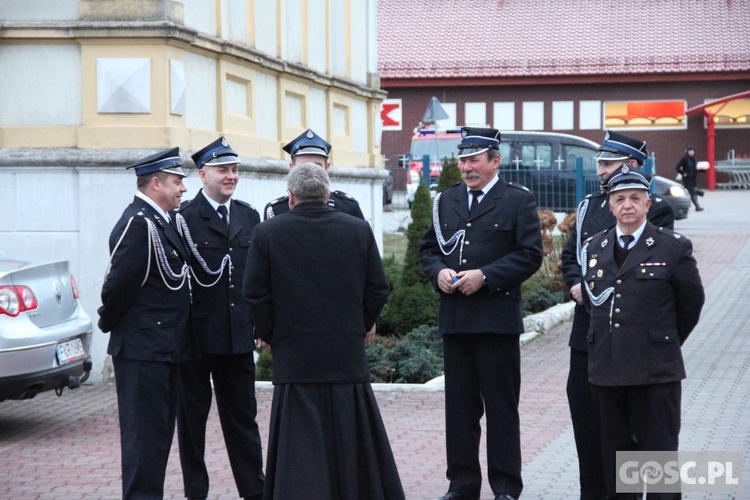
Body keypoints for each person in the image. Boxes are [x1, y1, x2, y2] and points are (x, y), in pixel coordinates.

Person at [243, 163, 404, 500]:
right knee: (350, 436)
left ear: (290, 198)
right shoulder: (358, 230)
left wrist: (271, 334)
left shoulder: (267, 233)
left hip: (295, 356)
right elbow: (378, 288)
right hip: (345, 353)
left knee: (299, 443)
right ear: (328, 194)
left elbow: (255, 294)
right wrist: (359, 326)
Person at [419, 127, 543, 500]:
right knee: (459, 410)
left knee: (502, 410)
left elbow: (529, 254)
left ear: (495, 161)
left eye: (475, 160)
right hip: (456, 320)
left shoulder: (517, 200)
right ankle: (462, 483)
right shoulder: (446, 201)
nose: (467, 167)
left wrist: (486, 276)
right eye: (463, 160)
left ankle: (505, 486)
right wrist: (437, 271)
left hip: (495, 321)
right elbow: (428, 249)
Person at [561, 130, 675, 499]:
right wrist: (577, 283)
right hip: (588, 337)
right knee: (590, 427)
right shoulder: (589, 207)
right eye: (601, 165)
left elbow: (672, 288)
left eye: (608, 164)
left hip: (633, 343)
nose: (601, 172)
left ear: (633, 166)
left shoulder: (654, 208)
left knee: (641, 434)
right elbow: (570, 256)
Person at [581, 168, 704, 499]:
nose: (627, 206)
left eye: (635, 198)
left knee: (659, 462)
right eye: (619, 199)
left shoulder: (671, 248)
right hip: (608, 373)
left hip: (655, 372)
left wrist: (661, 340)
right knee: (620, 466)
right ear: (610, 206)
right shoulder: (595, 247)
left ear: (648, 204)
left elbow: (691, 305)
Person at [98, 148, 191, 499]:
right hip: (142, 351)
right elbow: (117, 286)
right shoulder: (139, 222)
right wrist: (111, 324)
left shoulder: (161, 220)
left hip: (163, 349)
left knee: (157, 441)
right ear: (156, 183)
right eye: (177, 181)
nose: (183, 188)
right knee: (143, 443)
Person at [175, 137, 265, 500]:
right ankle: (196, 492)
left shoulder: (248, 215)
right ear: (202, 175)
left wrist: (261, 325)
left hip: (238, 337)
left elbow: (257, 279)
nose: (231, 176)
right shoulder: (183, 219)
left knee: (243, 421)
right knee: (192, 425)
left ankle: (254, 491)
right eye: (223, 170)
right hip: (195, 339)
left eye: (234, 170)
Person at [264, 128, 364, 220]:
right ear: (292, 167)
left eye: (317, 166)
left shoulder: (348, 207)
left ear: (326, 167)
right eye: (303, 166)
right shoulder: (276, 210)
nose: (311, 170)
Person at [676, 145, 704, 211]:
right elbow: (678, 167)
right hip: (687, 178)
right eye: (690, 151)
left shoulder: (694, 159)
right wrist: (683, 173)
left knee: (692, 192)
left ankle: (697, 205)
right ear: (687, 152)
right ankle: (697, 206)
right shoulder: (685, 159)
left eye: (692, 151)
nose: (691, 152)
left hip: (693, 178)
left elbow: (696, 168)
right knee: (693, 191)